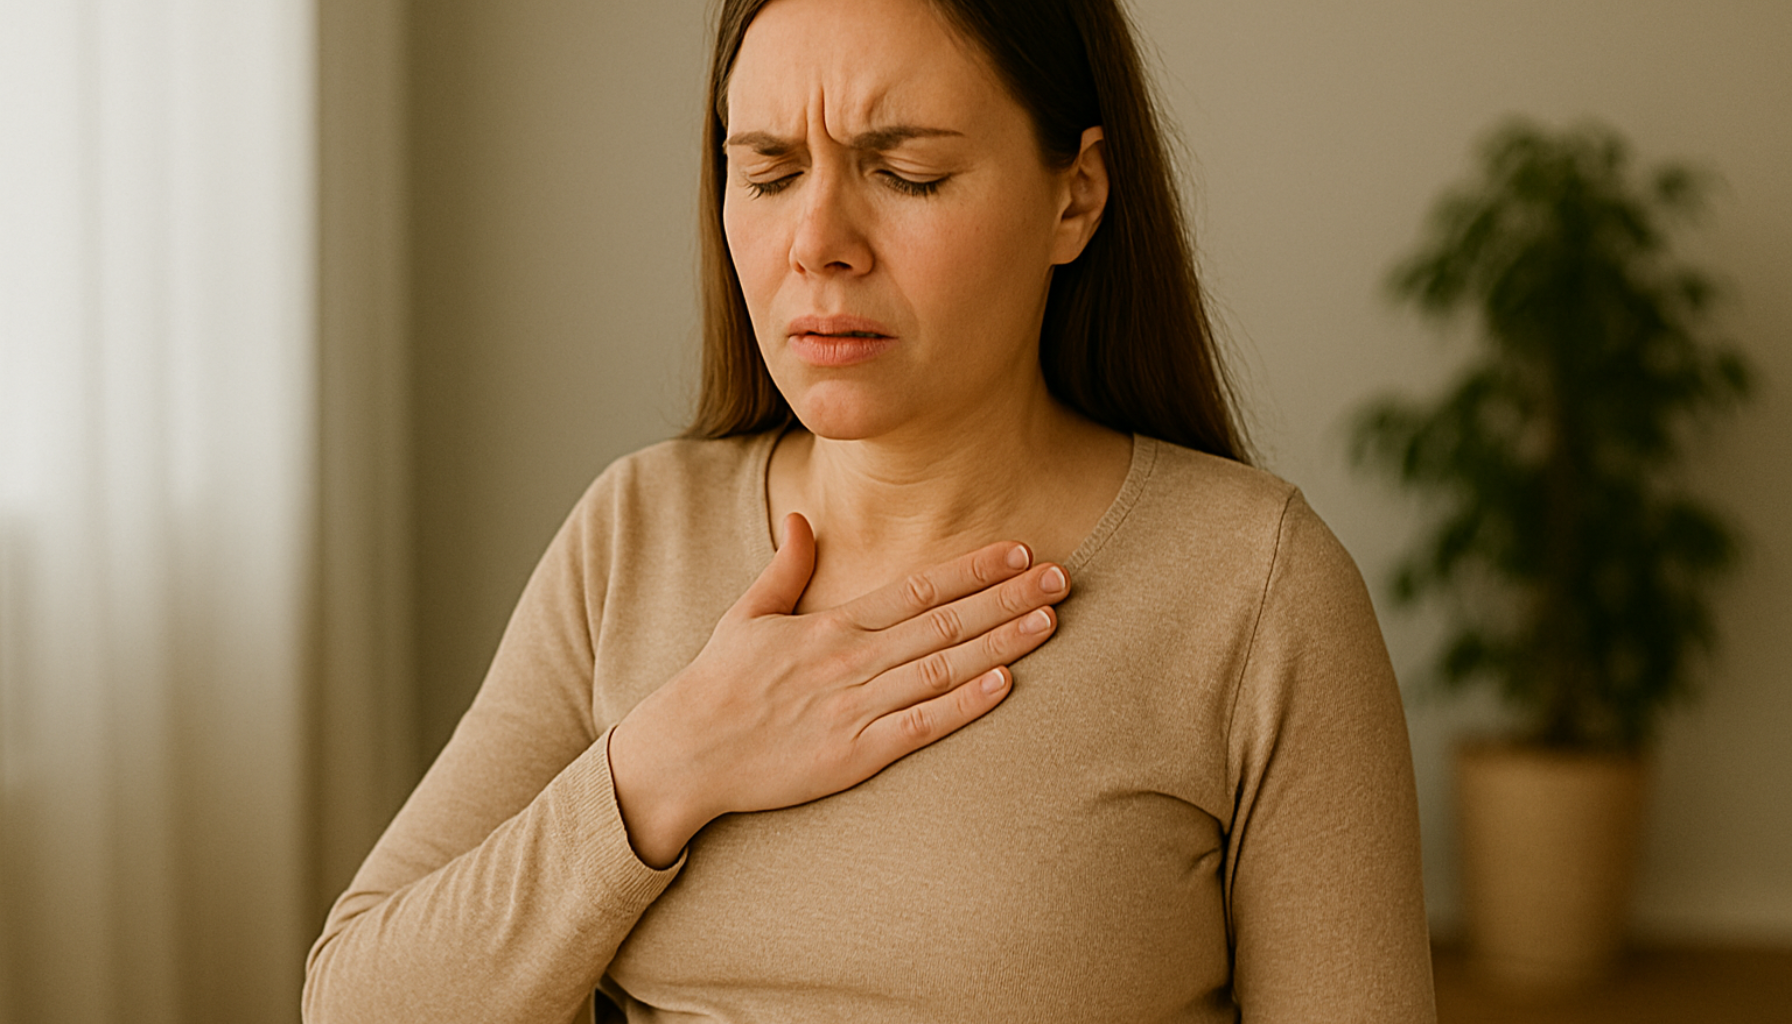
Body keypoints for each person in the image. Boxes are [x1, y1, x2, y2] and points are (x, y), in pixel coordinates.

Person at [303, 0, 1436, 1020]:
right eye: (768, 169)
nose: (817, 244)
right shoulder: (635, 529)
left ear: (1075, 195)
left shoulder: (1254, 585)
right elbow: (356, 1002)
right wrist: (665, 762)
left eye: (907, 173)